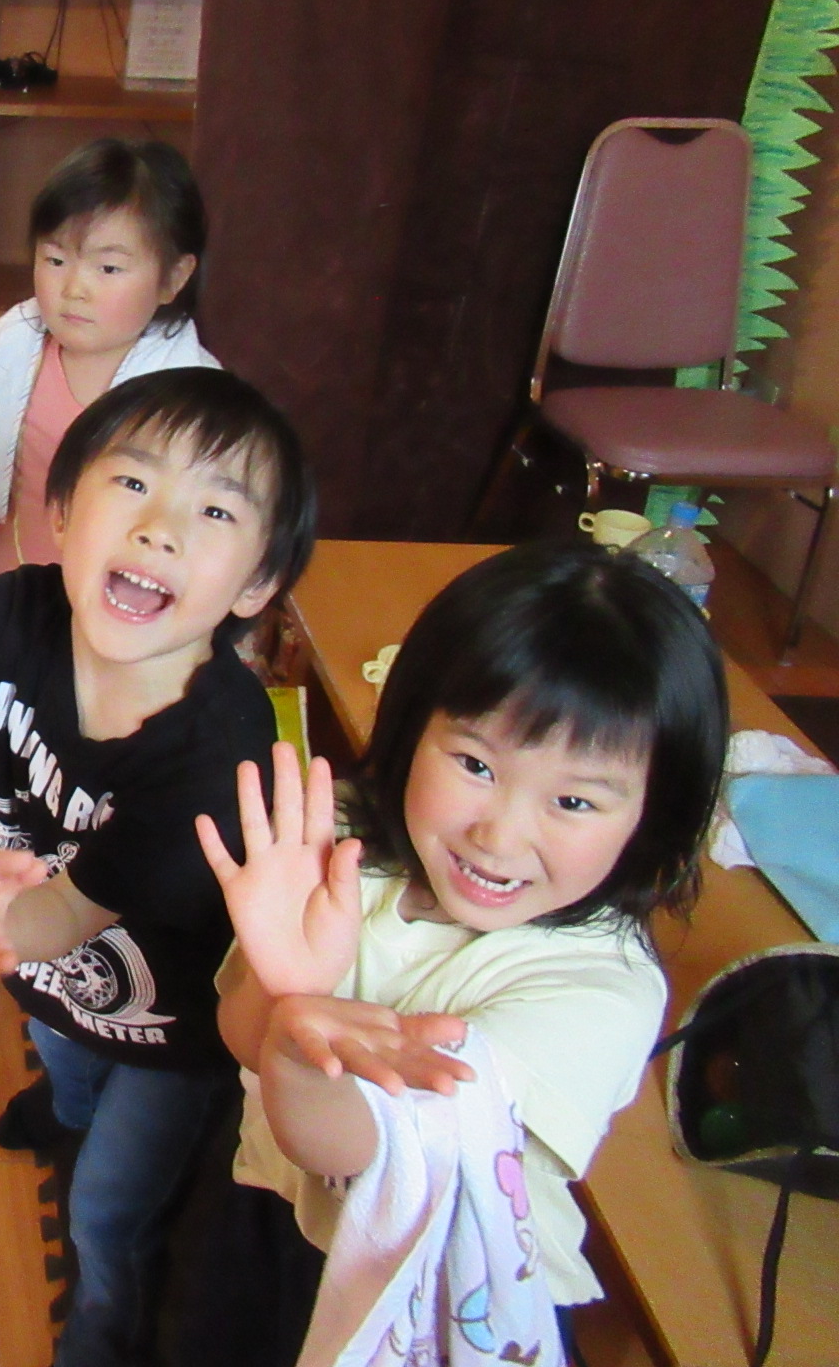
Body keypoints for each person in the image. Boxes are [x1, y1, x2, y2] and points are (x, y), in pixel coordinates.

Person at [0, 368, 317, 1367]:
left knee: (107, 1206)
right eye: (133, 482)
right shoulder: (15, 613)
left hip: (173, 1032)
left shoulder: (218, 751)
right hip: (46, 971)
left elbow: (66, 914)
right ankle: (63, 1104)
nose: (159, 529)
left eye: (214, 510)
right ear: (60, 513)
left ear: (254, 587)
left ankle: (107, 1329)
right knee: (59, 1055)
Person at [192, 541, 728, 1365]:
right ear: (412, 725)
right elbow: (242, 1035)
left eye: (574, 800)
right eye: (476, 763)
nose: (499, 835)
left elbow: (363, 1152)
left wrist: (301, 1037)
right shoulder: (341, 846)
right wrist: (284, 990)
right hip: (277, 1209)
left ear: (655, 818)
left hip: (443, 1294)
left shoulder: (598, 990)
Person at [0, 136, 217, 848]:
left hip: (107, 627)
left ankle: (56, 875)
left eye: (108, 267)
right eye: (55, 258)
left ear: (173, 277)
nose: (74, 287)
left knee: (71, 769)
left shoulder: (191, 400)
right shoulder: (10, 348)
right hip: (2, 597)